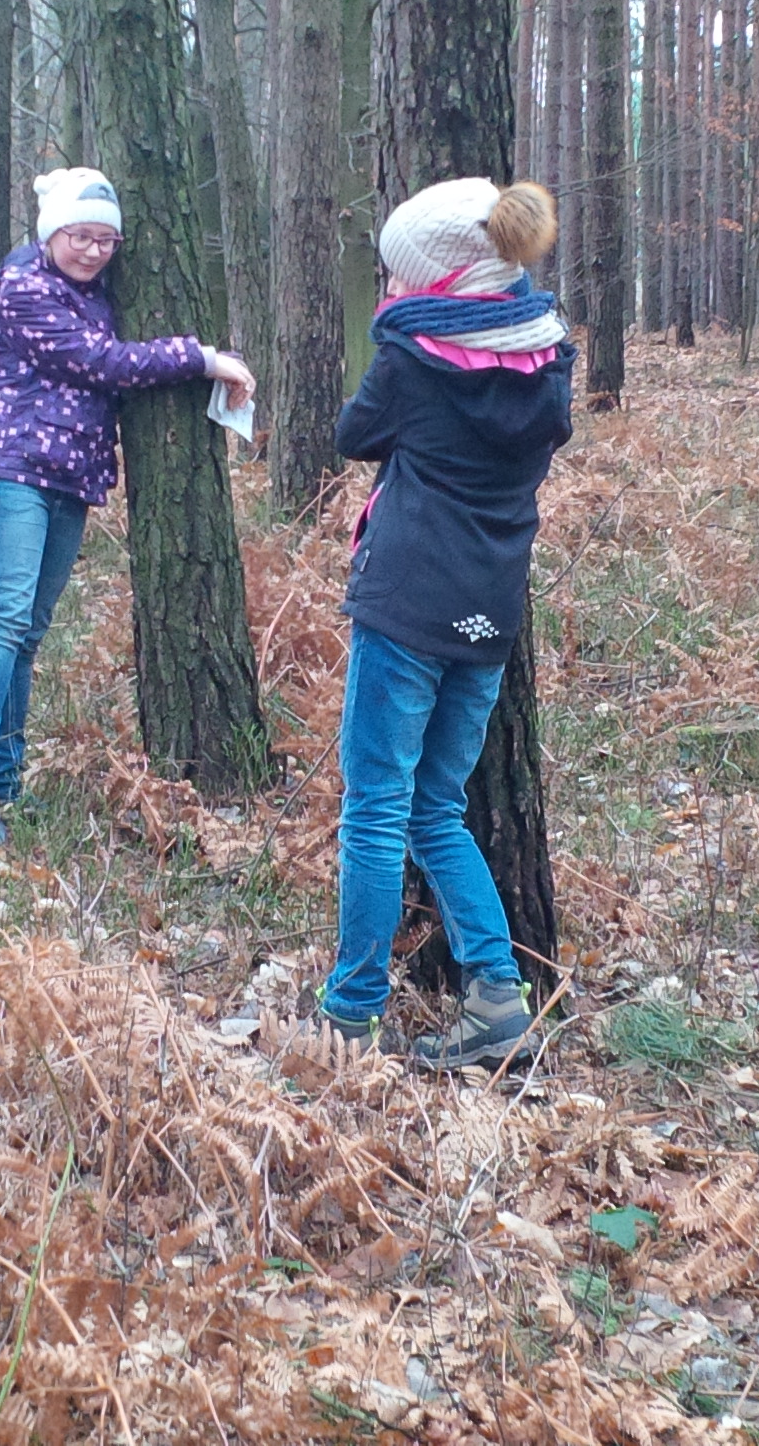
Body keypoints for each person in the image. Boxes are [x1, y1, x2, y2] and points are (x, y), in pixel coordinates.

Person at [321, 177, 572, 1071]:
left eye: (399, 275)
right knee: (436, 808)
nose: (390, 288)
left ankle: (350, 1015)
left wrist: (395, 327)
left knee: (376, 808)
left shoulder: (410, 359)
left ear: (438, 278)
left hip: (405, 606)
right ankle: (498, 995)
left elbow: (354, 434)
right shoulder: (549, 359)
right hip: (488, 615)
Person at [0, 168, 256, 847]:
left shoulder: (97, 292)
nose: (93, 251)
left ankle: (3, 780)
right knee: (2, 618)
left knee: (26, 631)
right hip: (9, 470)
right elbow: (102, 362)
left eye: (107, 240)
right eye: (80, 236)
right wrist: (202, 359)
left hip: (68, 478)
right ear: (52, 233)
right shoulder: (24, 288)